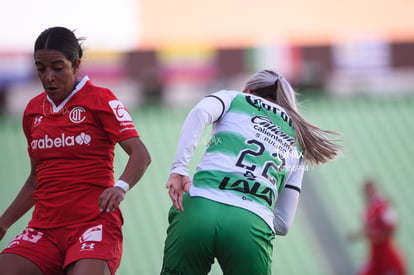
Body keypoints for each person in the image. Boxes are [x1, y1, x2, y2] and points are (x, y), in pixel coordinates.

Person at [0, 26, 151, 275]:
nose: (49, 76)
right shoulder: (33, 111)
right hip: (44, 229)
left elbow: (140, 153)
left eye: (57, 68)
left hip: (92, 225)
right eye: (41, 68)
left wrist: (120, 187)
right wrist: (5, 222)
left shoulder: (100, 99)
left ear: (76, 64)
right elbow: (36, 180)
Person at [160, 69, 342, 275]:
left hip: (199, 208)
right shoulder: (299, 137)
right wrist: (252, 212)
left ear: (248, 91)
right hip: (250, 224)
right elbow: (283, 224)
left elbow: (200, 112)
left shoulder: (234, 98)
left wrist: (179, 168)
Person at [348, 179, 406, 275]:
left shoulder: (382, 206)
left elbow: (392, 227)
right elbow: (369, 231)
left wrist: (378, 236)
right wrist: (358, 235)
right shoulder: (368, 211)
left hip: (387, 258)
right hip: (376, 258)